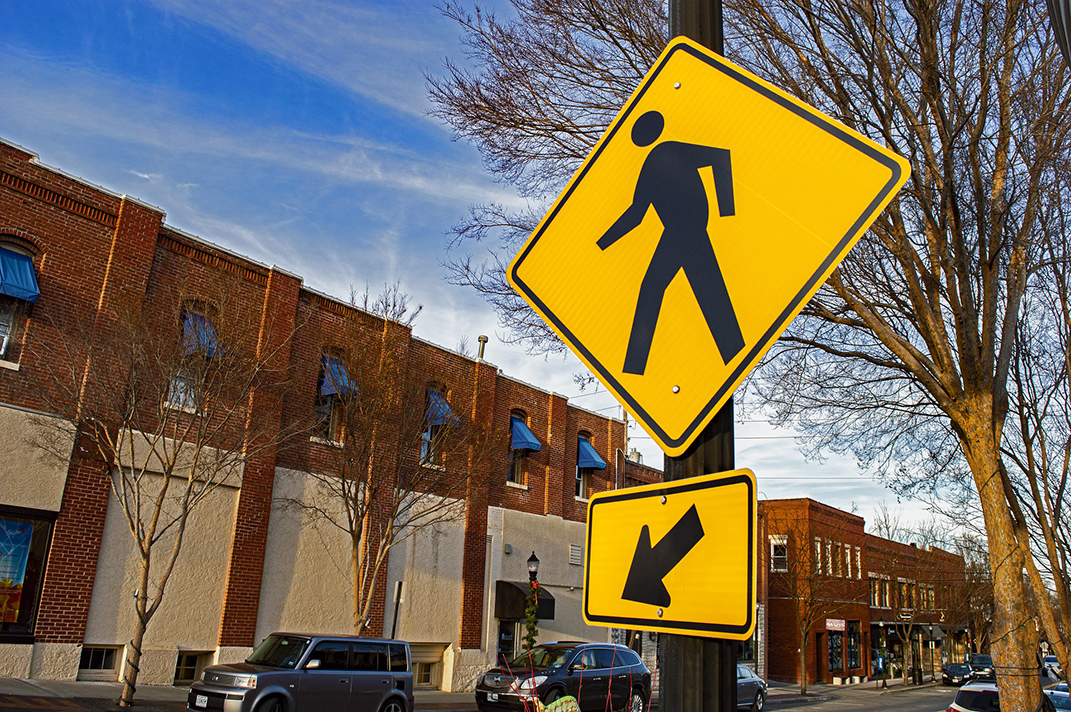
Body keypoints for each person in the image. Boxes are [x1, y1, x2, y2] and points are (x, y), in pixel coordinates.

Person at [597, 110, 744, 376]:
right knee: (689, 291)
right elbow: (636, 213)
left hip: (689, 230)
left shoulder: (669, 151)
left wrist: (727, 212)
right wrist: (601, 243)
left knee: (689, 291)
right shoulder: (650, 165)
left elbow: (719, 156)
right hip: (678, 232)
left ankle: (635, 367)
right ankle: (635, 368)